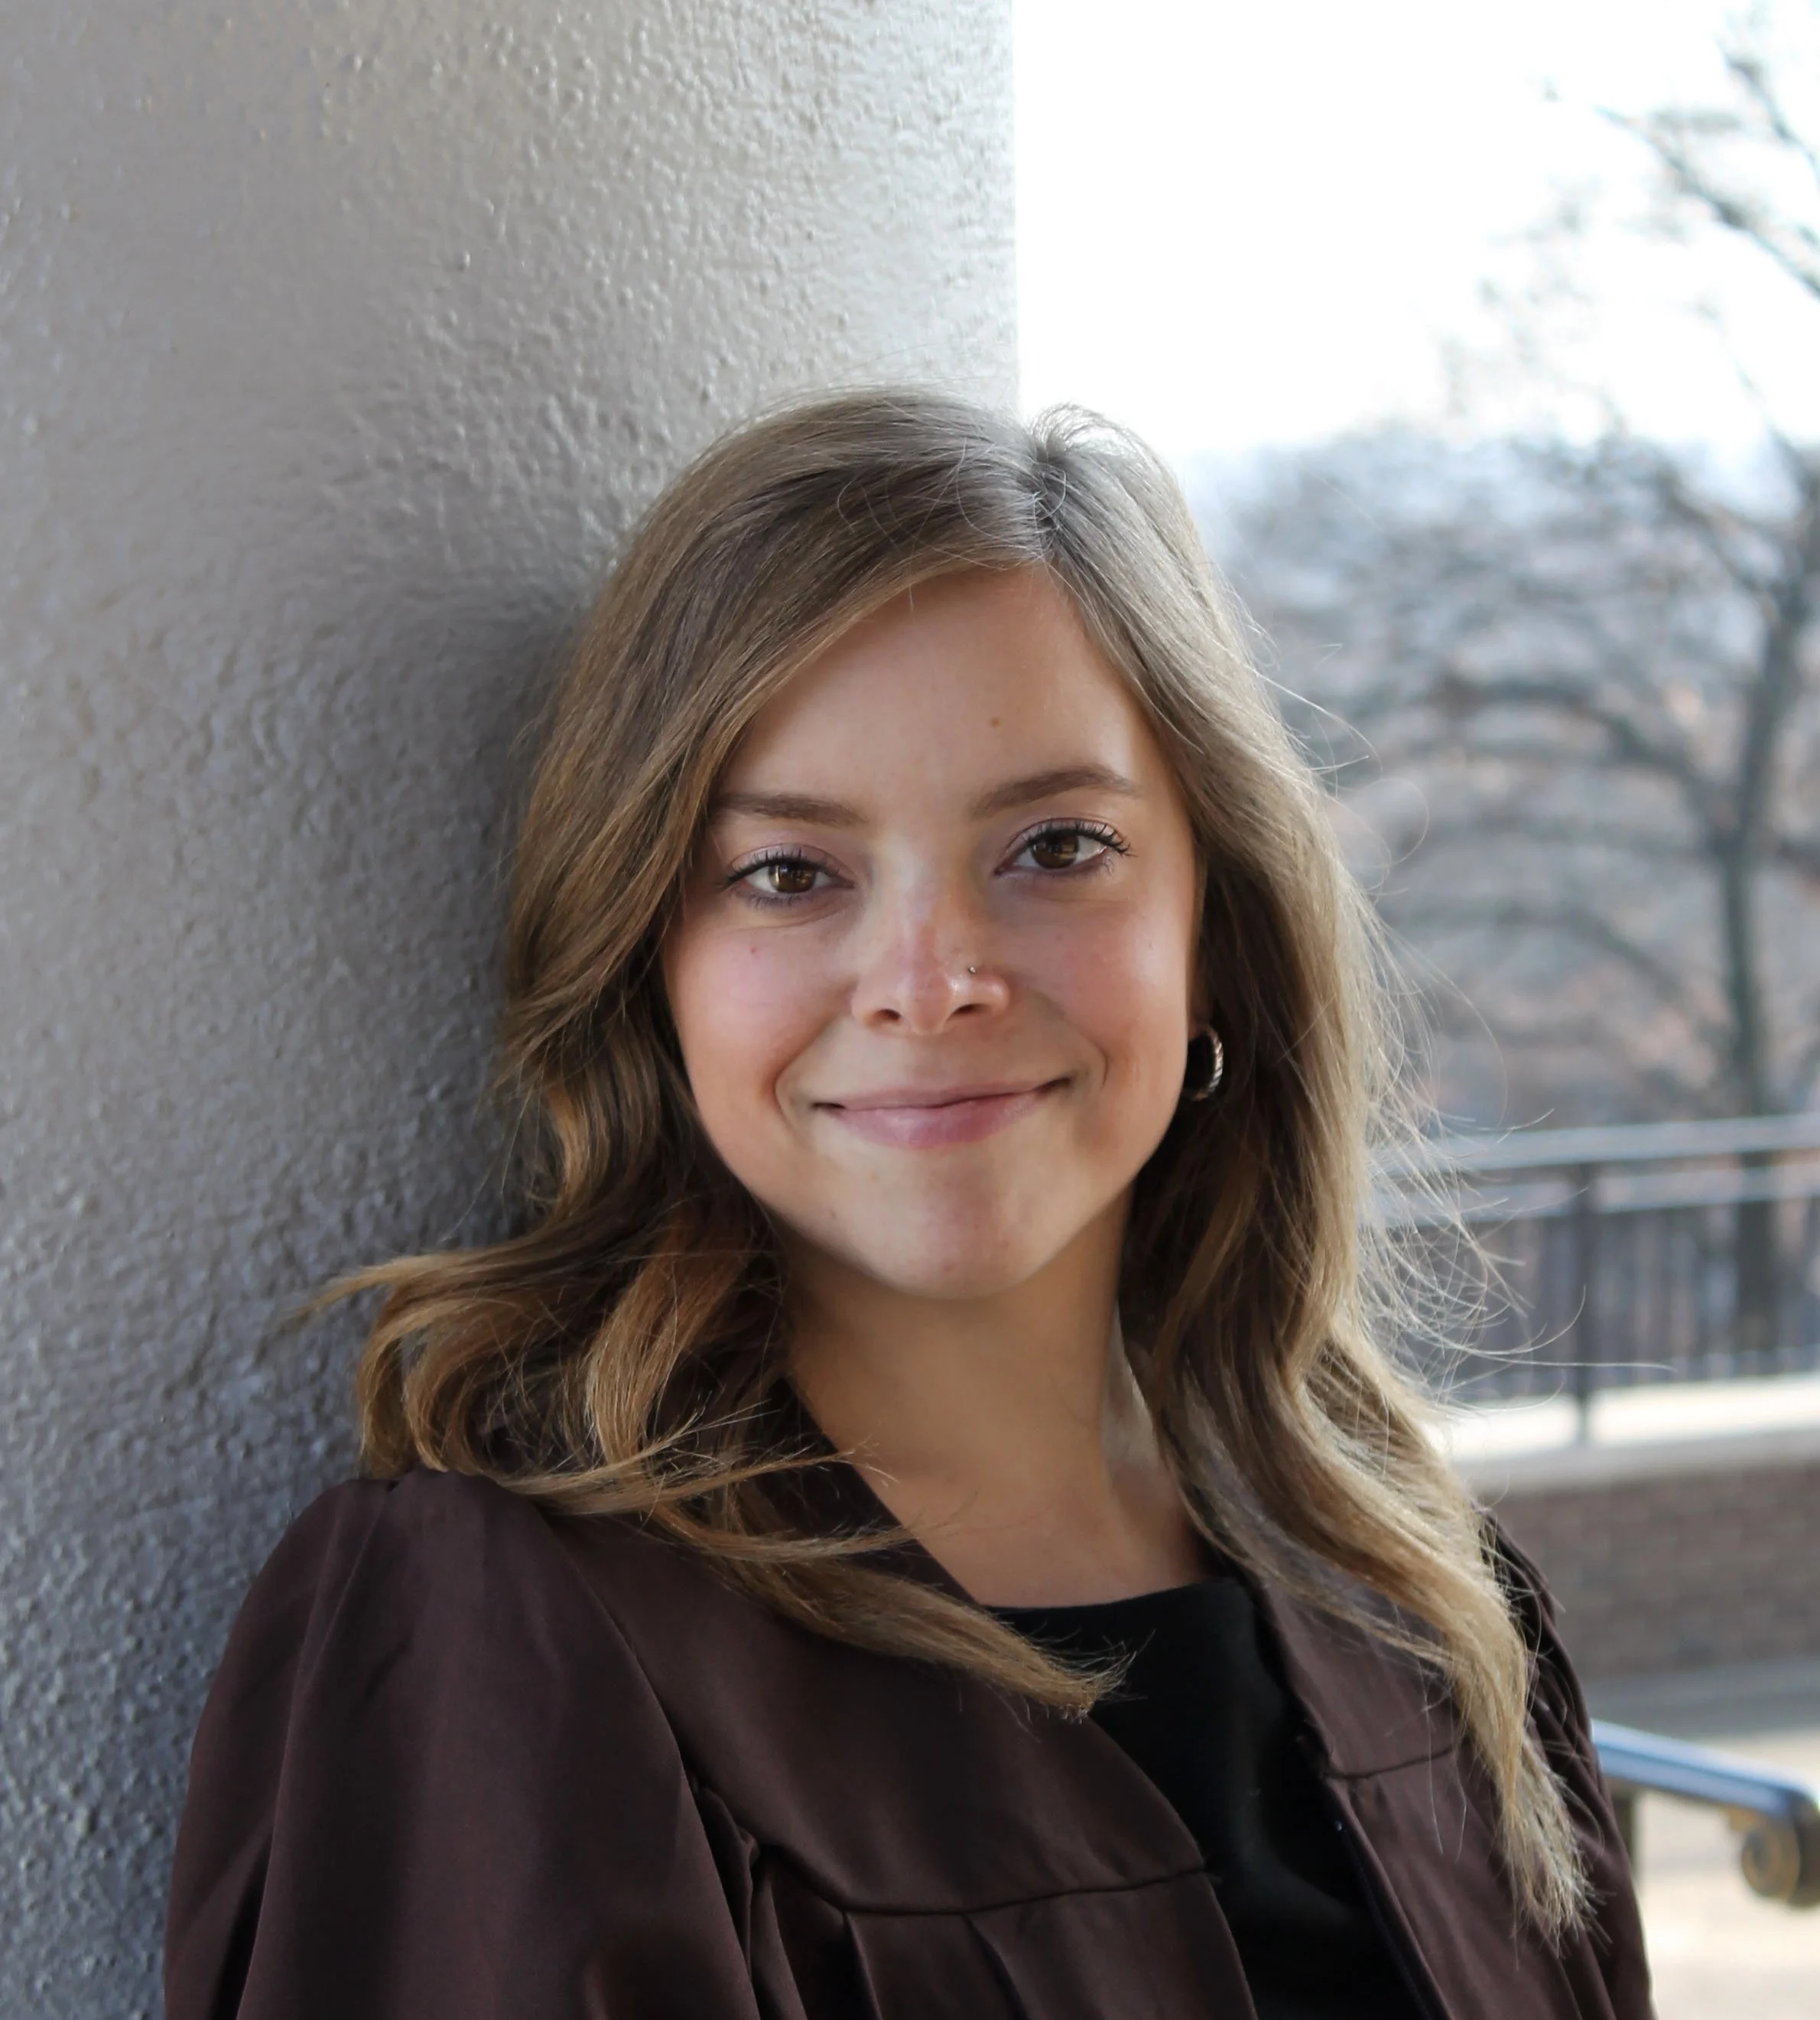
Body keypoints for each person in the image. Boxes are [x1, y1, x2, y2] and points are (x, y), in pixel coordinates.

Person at [165, 391, 1651, 2019]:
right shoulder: (509, 1640)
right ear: (648, 964)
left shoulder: (1418, 1602)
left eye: (1056, 847)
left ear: (1210, 926)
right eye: (790, 874)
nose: (932, 982)